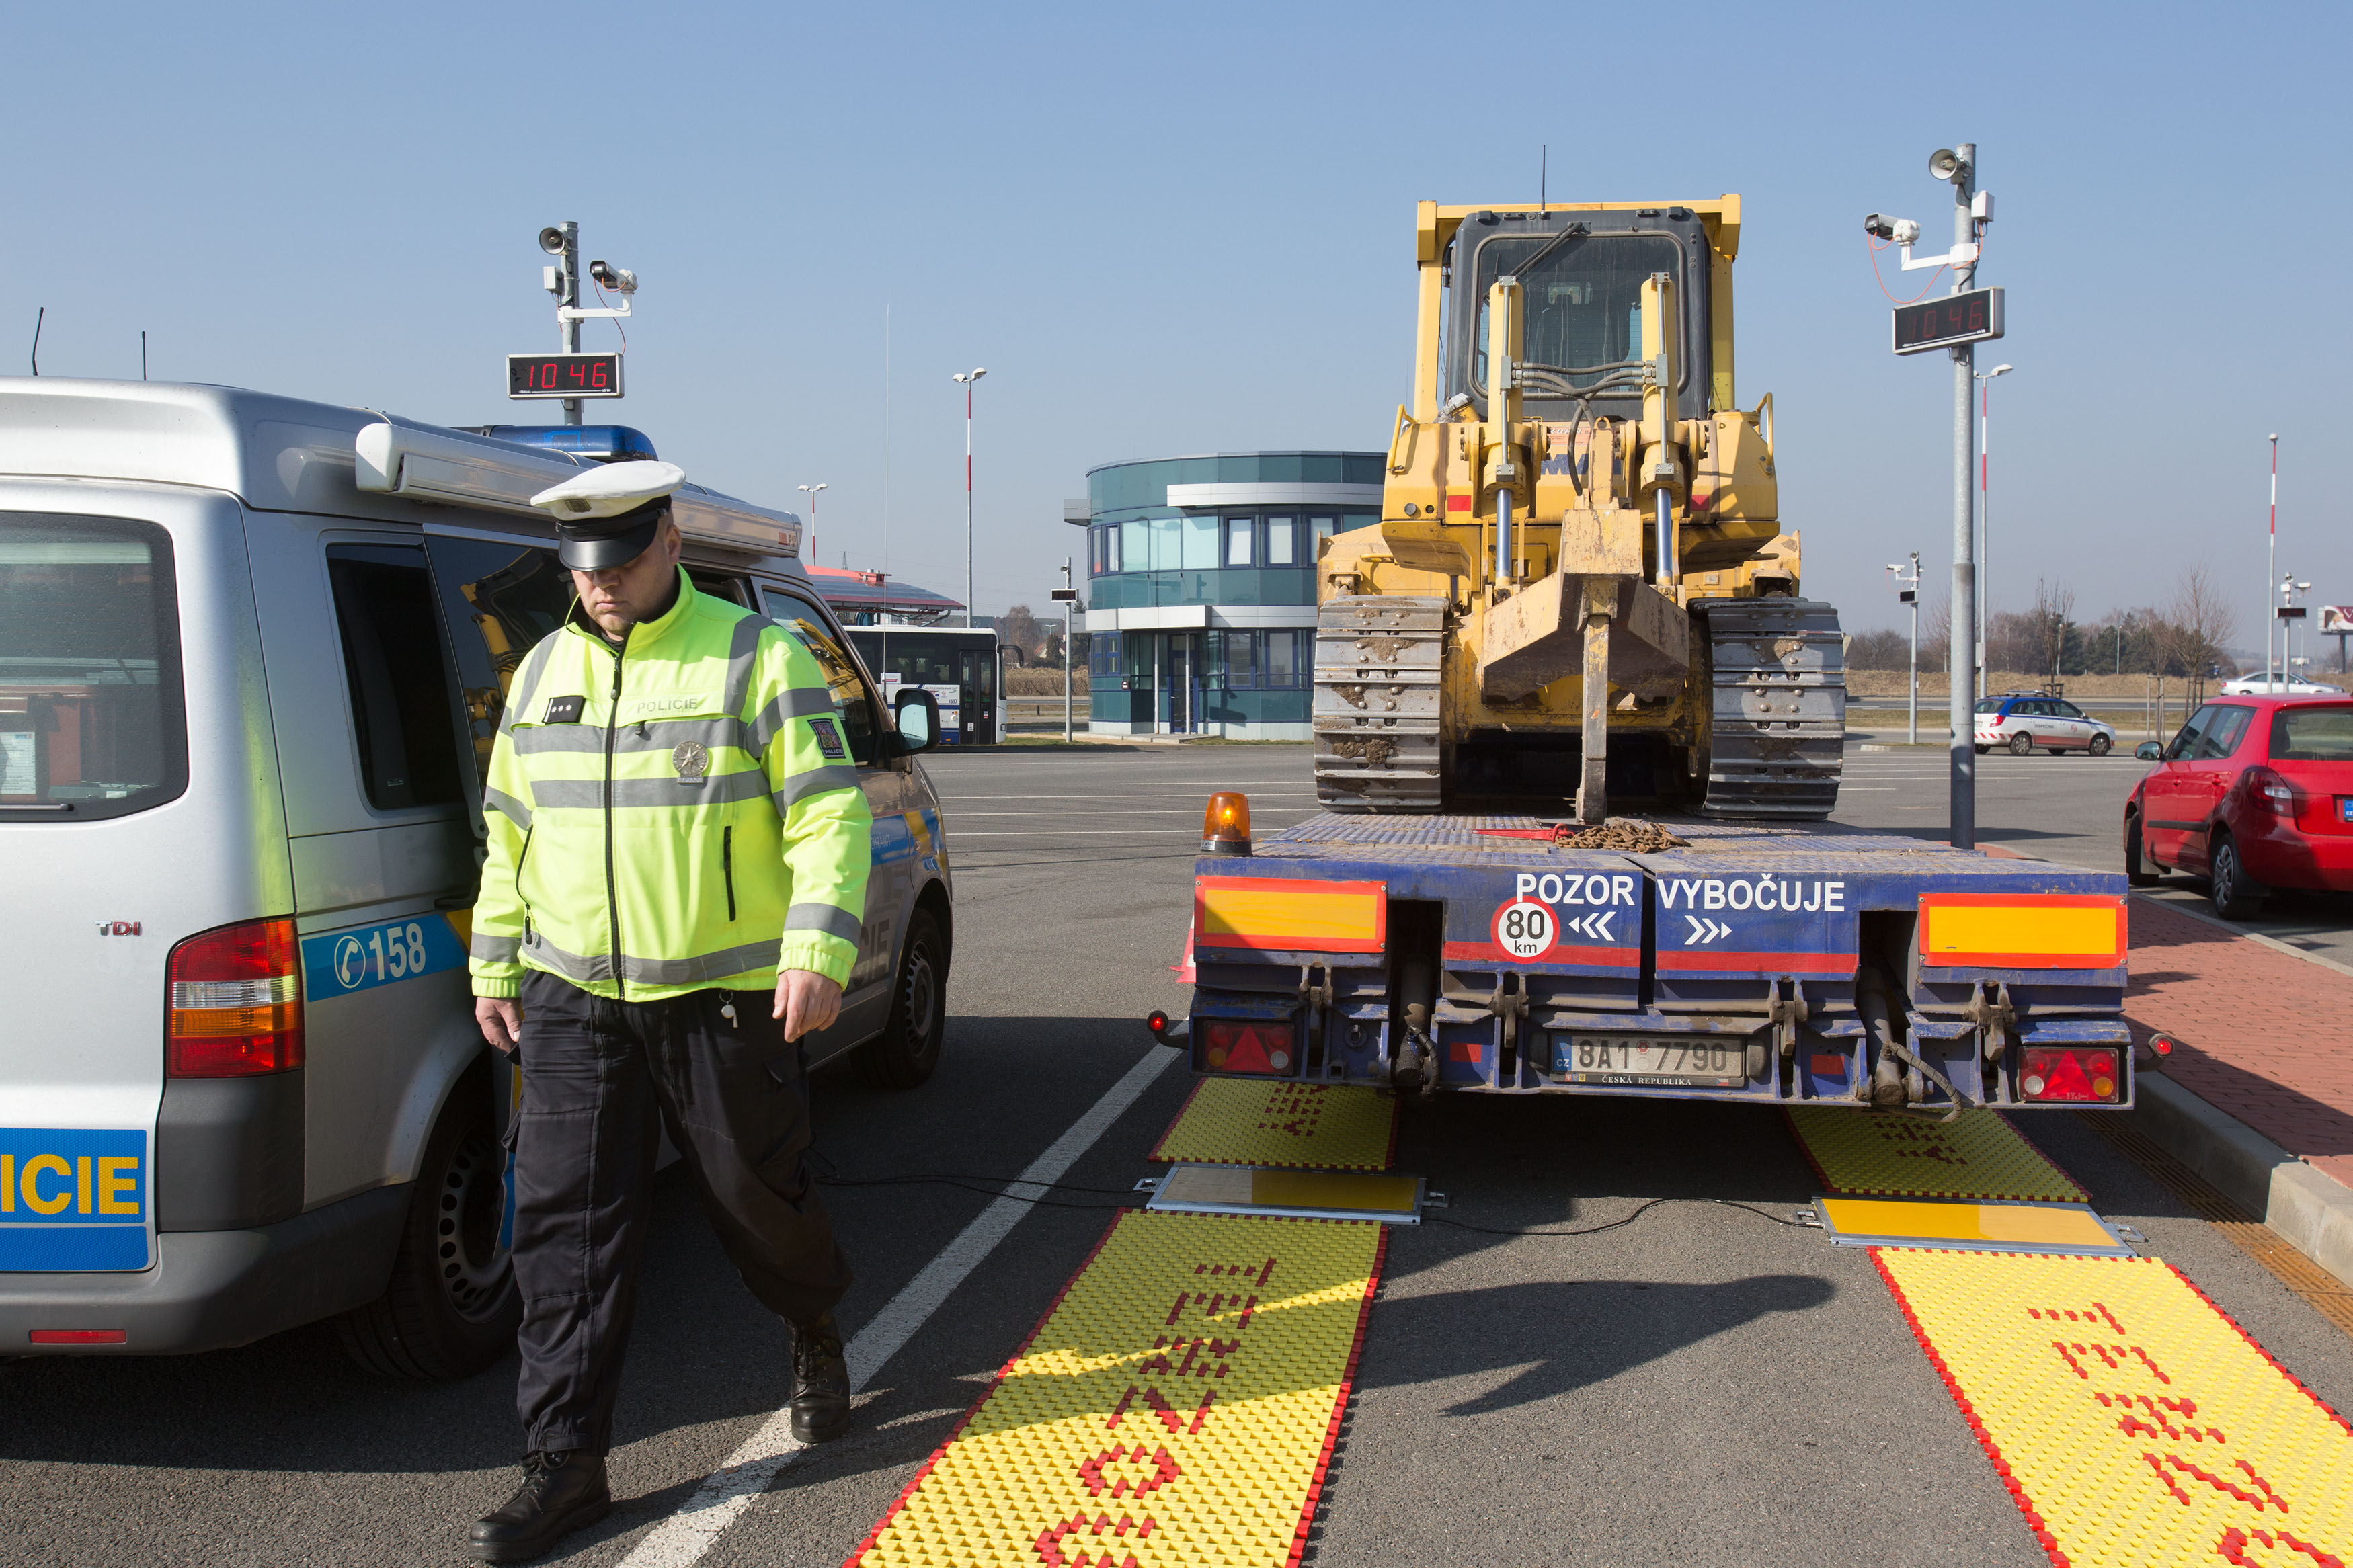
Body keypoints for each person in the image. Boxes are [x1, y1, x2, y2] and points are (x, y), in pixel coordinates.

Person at [463, 460, 872, 1564]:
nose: (600, 586)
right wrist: (495, 958)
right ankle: (567, 1462)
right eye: (583, 569)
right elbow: (510, 828)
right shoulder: (543, 670)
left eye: (622, 561)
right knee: (564, 1229)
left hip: (717, 995)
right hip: (573, 995)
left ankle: (811, 1324)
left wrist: (818, 946)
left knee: (755, 1197)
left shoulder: (758, 657)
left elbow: (829, 815)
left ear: (670, 541)